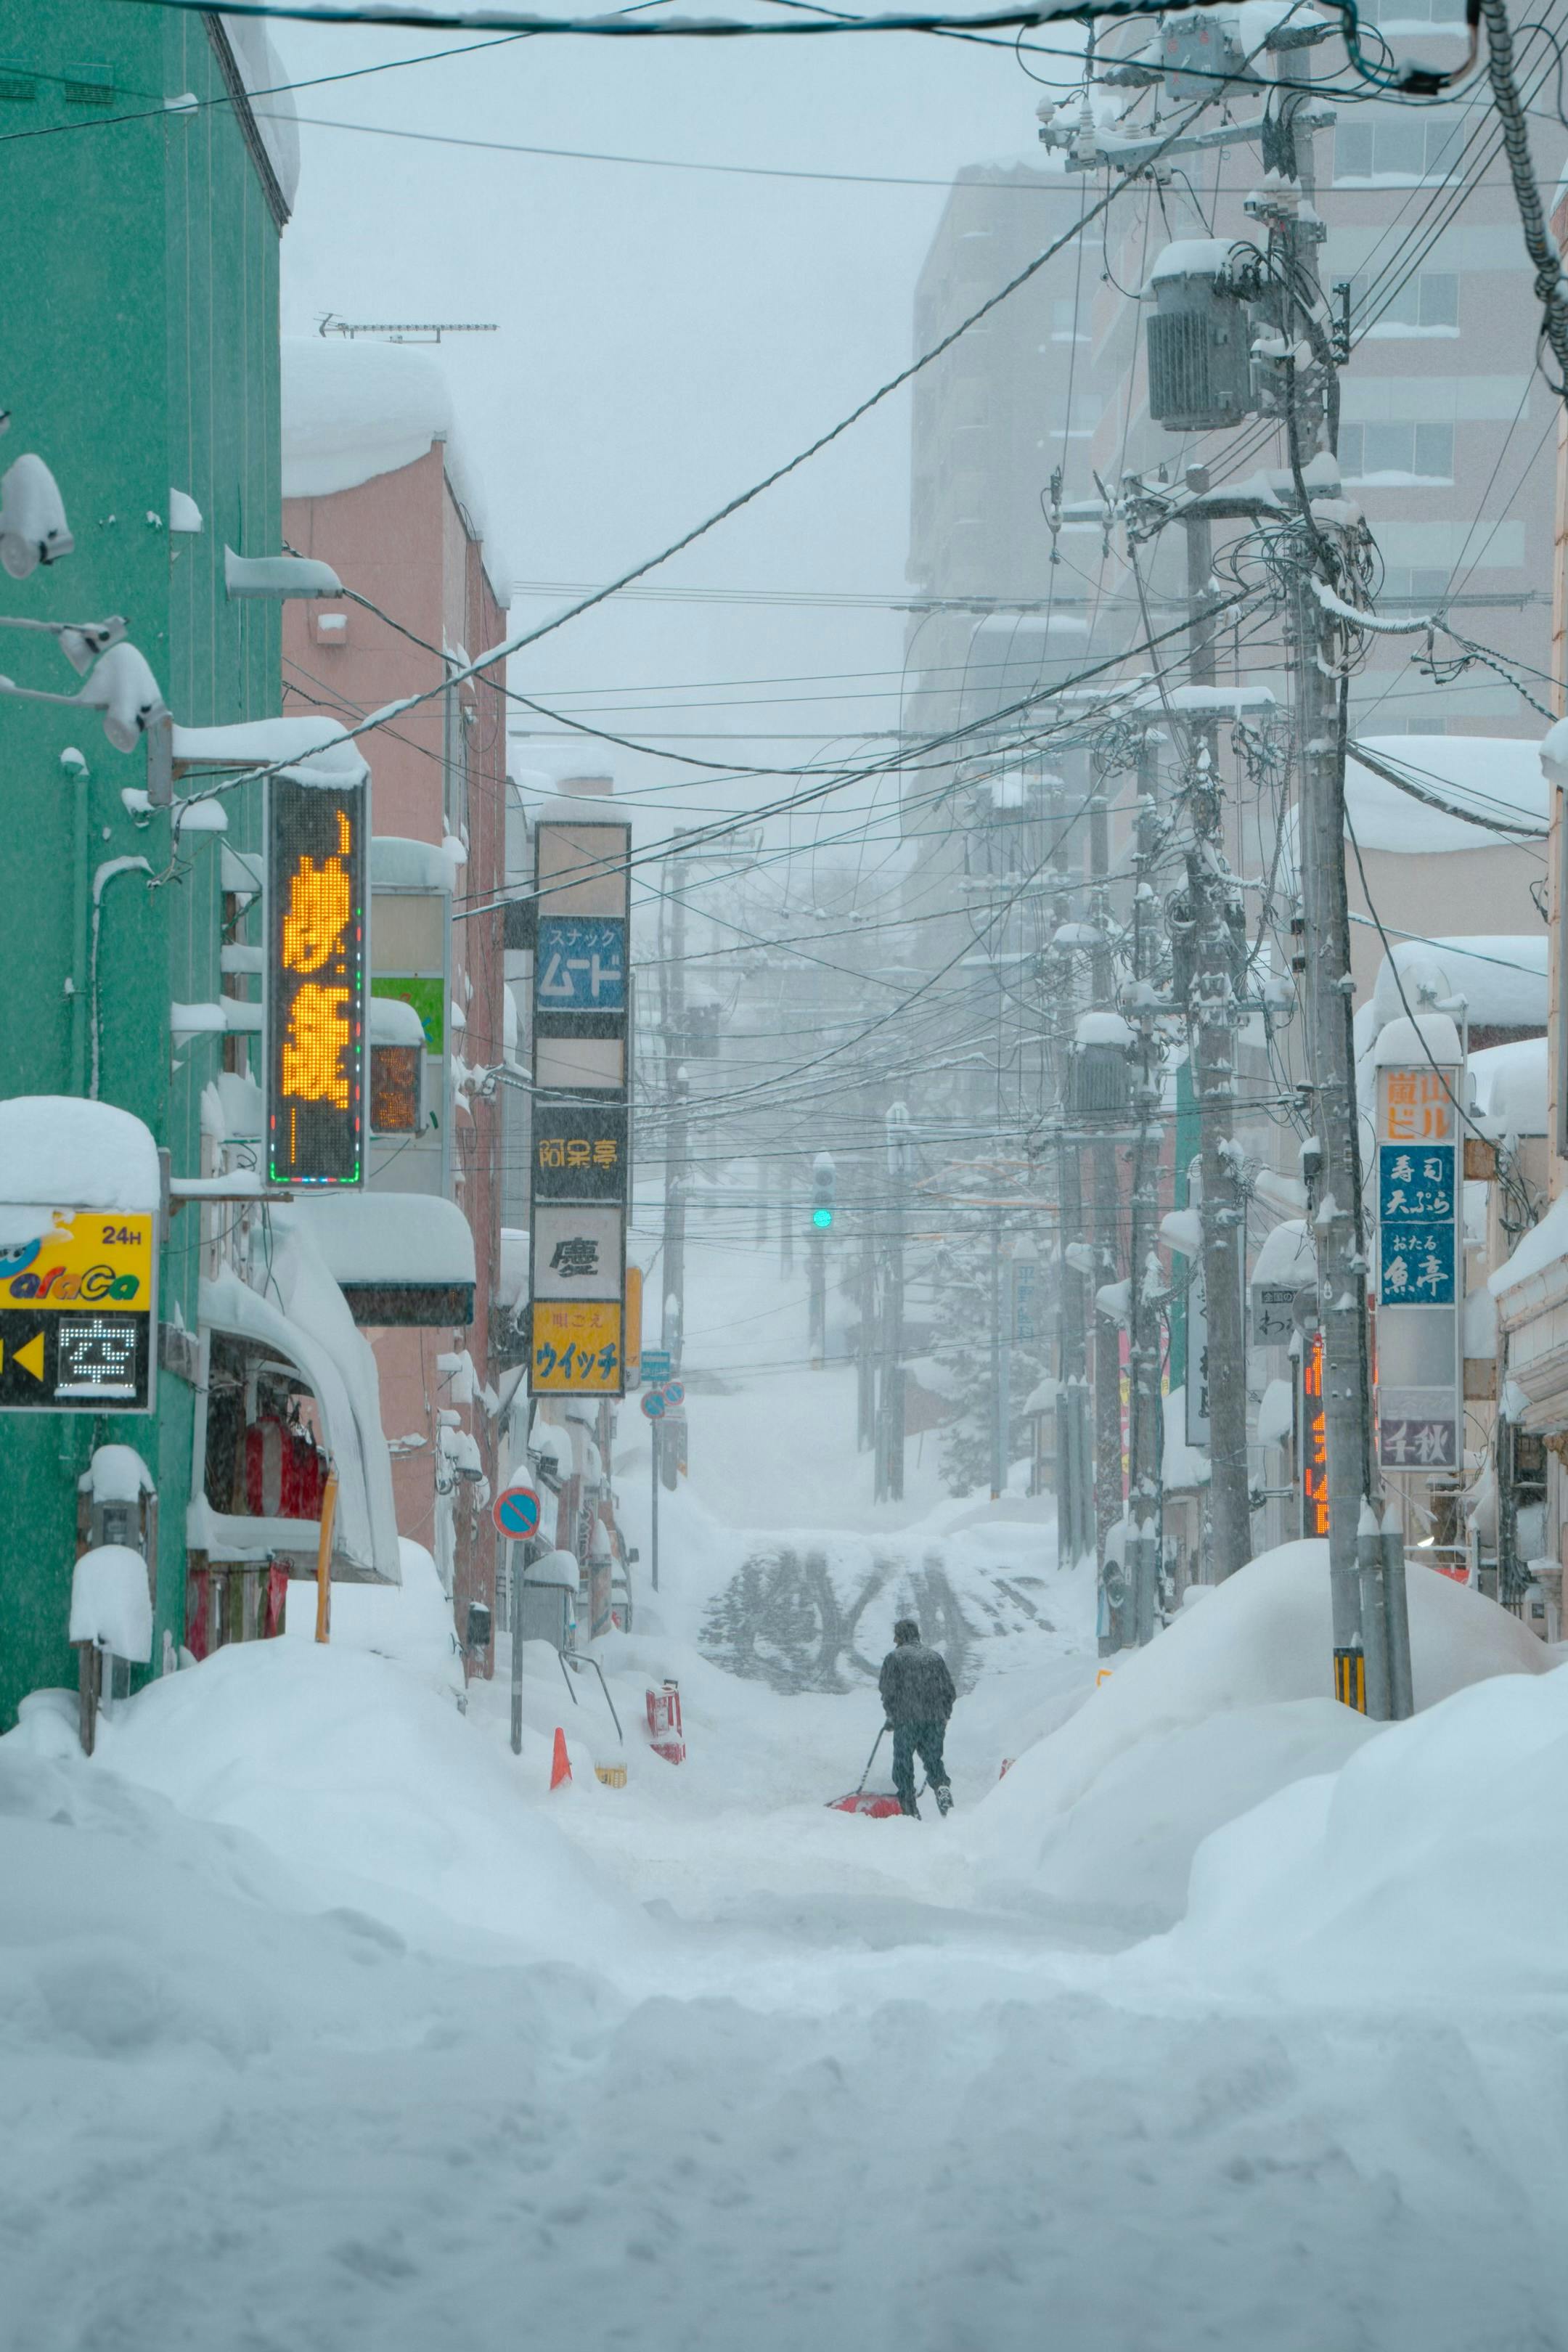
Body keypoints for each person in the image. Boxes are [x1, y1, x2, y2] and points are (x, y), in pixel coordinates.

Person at [878, 1617, 955, 1818]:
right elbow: (949, 1691)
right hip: (935, 1719)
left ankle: (909, 1807)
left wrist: (892, 1715)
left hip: (907, 1719)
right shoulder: (934, 1658)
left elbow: (888, 1692)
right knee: (933, 1759)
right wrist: (944, 1714)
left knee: (903, 1762)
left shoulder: (895, 1658)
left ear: (899, 1636)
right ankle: (942, 1789)